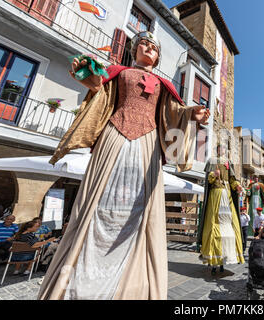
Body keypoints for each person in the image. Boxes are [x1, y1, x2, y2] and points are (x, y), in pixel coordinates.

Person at [38, 31, 210, 300]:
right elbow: (98, 88)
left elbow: (175, 114)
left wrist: (192, 113)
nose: (149, 48)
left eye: (154, 46)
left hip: (148, 145)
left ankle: (131, 278)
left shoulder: (165, 85)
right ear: (134, 48)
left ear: (158, 55)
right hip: (113, 135)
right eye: (144, 43)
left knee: (142, 206)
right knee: (98, 198)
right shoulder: (119, 73)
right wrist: (85, 72)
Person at [198, 144, 244, 275]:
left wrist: (238, 186)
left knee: (230, 226)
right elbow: (208, 179)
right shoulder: (211, 161)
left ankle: (225, 260)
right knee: (214, 225)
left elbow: (232, 179)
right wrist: (214, 174)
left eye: (223, 149)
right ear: (216, 150)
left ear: (225, 151)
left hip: (227, 195)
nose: (221, 151)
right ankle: (213, 262)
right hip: (215, 195)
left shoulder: (228, 162)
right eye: (219, 149)